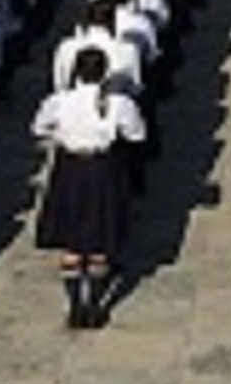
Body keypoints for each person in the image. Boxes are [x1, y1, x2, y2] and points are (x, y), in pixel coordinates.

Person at [30, 45, 148, 328]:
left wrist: (61, 133)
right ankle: (95, 305)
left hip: (69, 168)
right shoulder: (119, 103)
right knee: (98, 240)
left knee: (72, 241)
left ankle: (75, 306)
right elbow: (137, 134)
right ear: (104, 73)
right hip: (103, 169)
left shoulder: (59, 101)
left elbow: (38, 128)